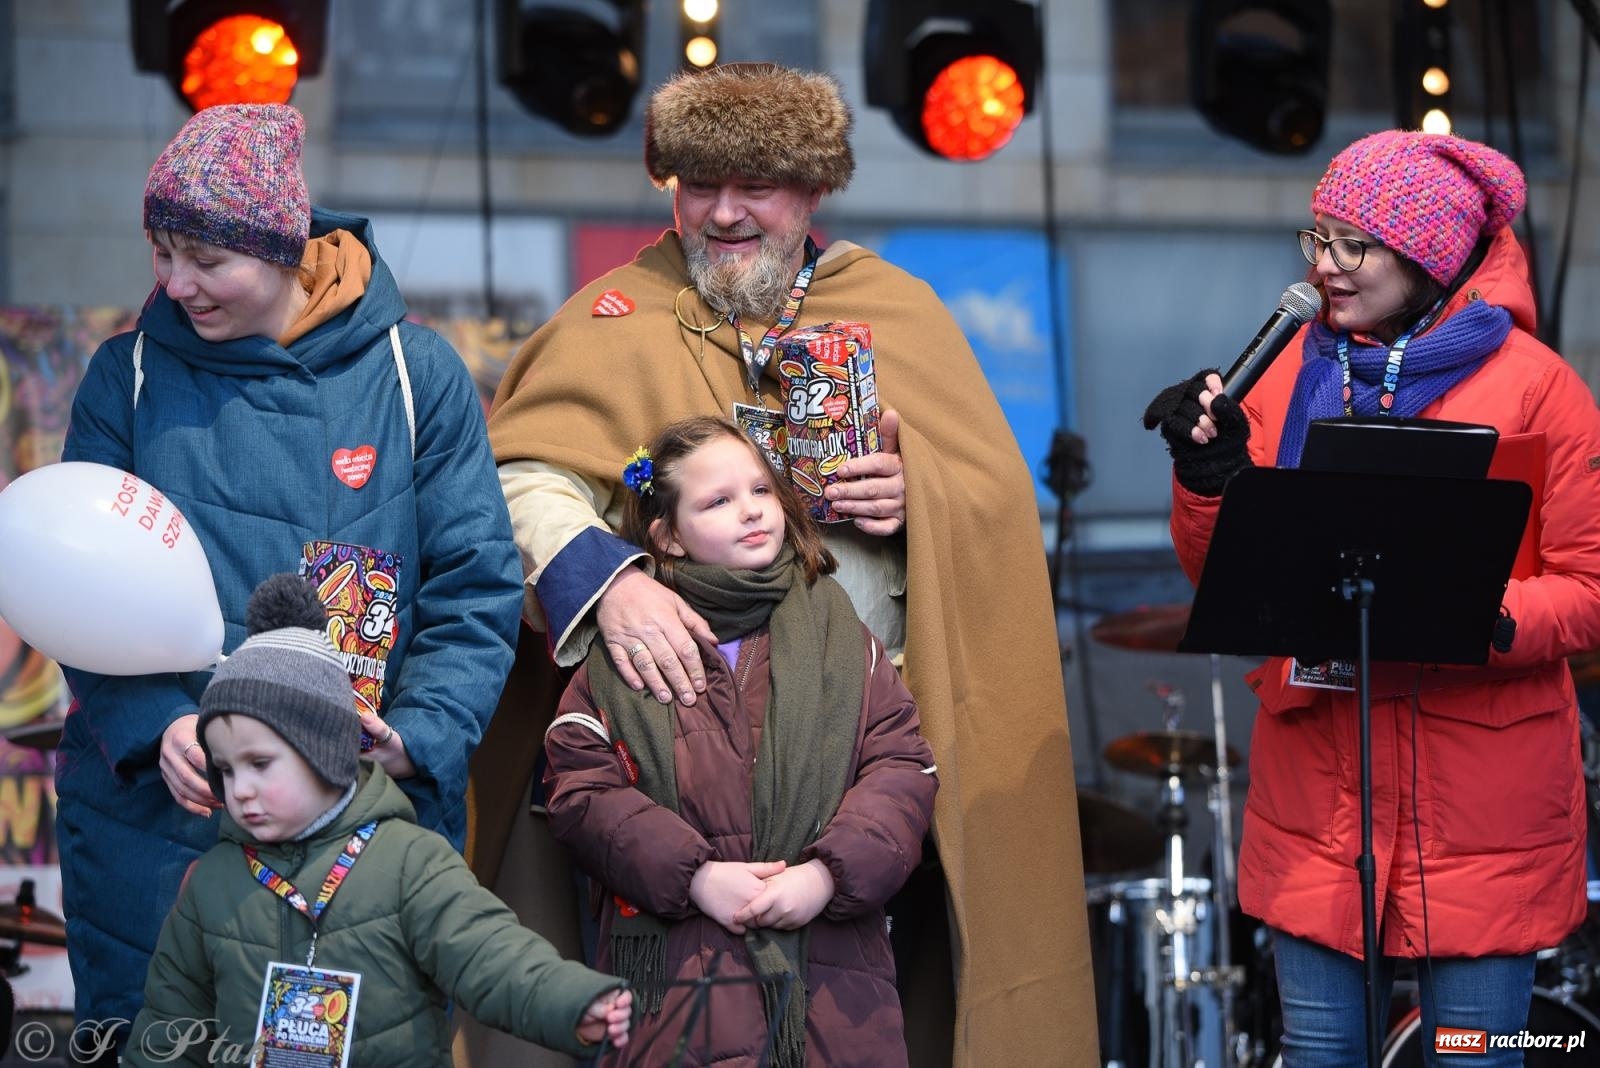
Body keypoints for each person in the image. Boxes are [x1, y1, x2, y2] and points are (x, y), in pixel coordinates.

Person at [486, 62, 1095, 1065]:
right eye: (695, 182)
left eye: (754, 184)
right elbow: (516, 482)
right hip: (675, 796)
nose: (723, 212)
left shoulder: (901, 312)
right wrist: (616, 585)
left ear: (813, 192)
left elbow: (987, 511)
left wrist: (916, 498)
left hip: (859, 783)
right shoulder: (612, 318)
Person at [59, 103, 522, 1042]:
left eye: (206, 258)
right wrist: (161, 728)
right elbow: (77, 593)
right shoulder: (127, 377)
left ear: (282, 248)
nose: (176, 282)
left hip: (360, 824)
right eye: (161, 251)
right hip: (159, 818)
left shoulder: (413, 372)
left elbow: (475, 585)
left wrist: (419, 734)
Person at [1144, 130, 1600, 1065]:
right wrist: (1207, 477)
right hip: (1319, 796)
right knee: (1318, 1053)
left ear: (1427, 255)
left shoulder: (1540, 389)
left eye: (1355, 245)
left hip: (1482, 813)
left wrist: (1489, 614)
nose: (1326, 267)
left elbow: (1591, 589)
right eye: (1317, 240)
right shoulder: (1278, 376)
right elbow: (1225, 576)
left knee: (1475, 1053)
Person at [543, 416, 937, 1066]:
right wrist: (692, 876)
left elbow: (902, 767)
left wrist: (825, 875)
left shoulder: (841, 635)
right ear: (667, 533)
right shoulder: (635, 647)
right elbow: (580, 786)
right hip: (677, 988)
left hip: (833, 985)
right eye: (718, 501)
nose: (751, 512)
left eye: (760, 491)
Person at [124, 574, 630, 1067]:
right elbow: (170, 1022)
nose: (241, 789)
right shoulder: (212, 881)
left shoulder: (409, 860)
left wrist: (573, 1005)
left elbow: (492, 957)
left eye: (260, 764)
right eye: (227, 770)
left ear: (322, 749)